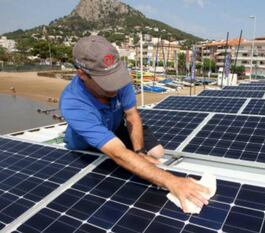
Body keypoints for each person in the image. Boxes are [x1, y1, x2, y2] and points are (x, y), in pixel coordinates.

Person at [60, 35, 209, 212]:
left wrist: (139, 152)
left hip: (115, 126)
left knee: (156, 153)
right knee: (112, 172)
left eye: (115, 77)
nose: (115, 87)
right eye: (107, 83)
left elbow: (132, 116)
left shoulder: (119, 80)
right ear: (82, 74)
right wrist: (172, 181)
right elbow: (118, 153)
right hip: (85, 144)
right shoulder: (73, 103)